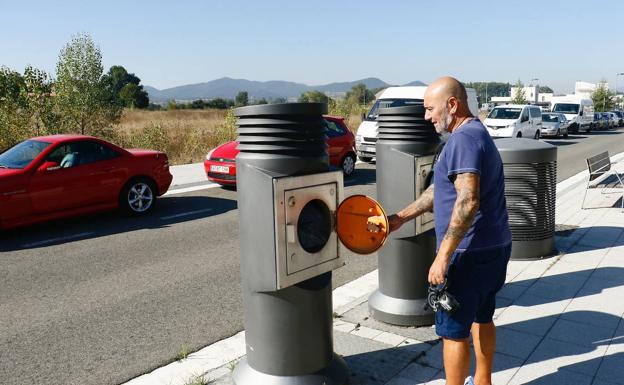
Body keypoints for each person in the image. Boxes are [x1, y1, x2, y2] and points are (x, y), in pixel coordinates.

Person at [368, 76, 511, 385]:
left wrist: (443, 256)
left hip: (466, 254)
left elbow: (468, 199)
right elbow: (439, 191)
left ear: (452, 104)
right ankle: (483, 381)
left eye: (430, 108)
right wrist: (399, 218)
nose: (426, 116)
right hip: (494, 245)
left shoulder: (462, 140)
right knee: (482, 316)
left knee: (453, 332)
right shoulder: (476, 133)